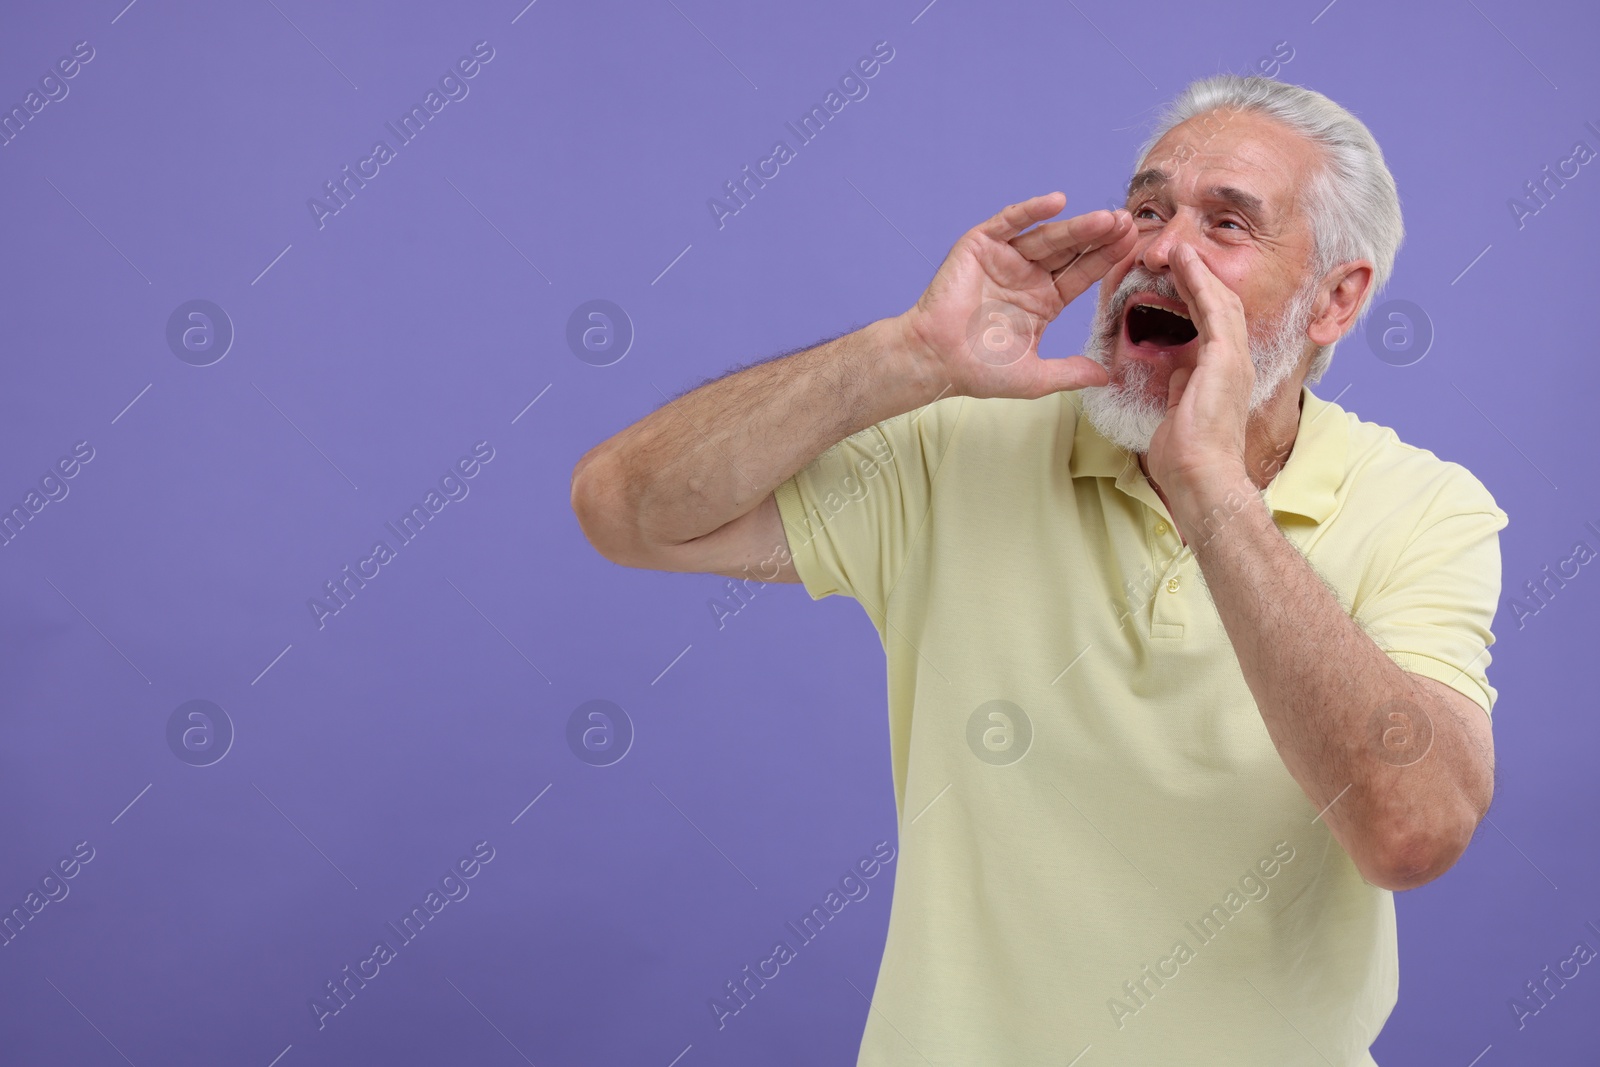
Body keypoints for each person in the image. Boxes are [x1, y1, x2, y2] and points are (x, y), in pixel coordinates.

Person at [570, 73, 1506, 1065]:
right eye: (1147, 209)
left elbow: (1412, 831)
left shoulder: (1424, 506)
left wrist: (1212, 493)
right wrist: (908, 356)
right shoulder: (957, 448)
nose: (1158, 249)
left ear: (1335, 298)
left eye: (1226, 224)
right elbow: (626, 511)